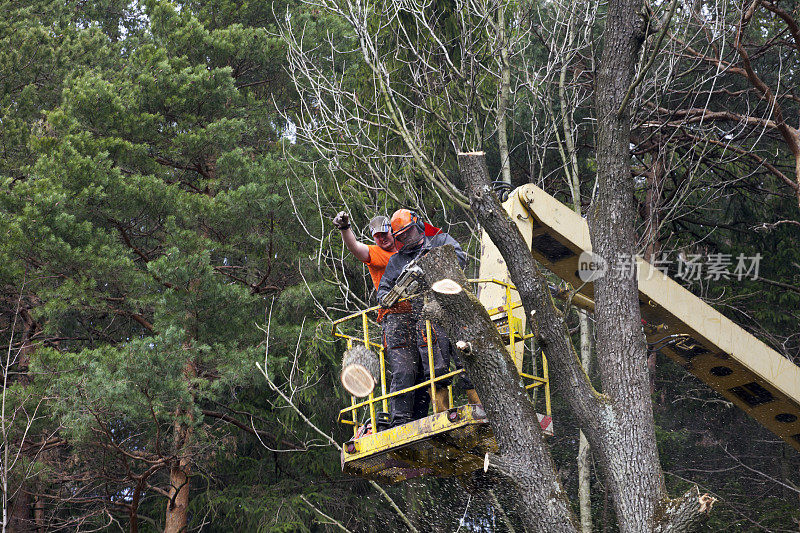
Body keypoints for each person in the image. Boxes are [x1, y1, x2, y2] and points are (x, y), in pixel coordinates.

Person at [377, 209, 480, 427]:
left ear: (418, 226)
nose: (406, 237)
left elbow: (460, 258)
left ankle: (480, 407)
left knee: (467, 358)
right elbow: (383, 290)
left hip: (457, 309)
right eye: (401, 236)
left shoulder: (440, 240)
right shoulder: (397, 261)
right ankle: (442, 415)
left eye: (408, 232)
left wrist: (430, 264)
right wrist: (392, 294)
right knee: (435, 367)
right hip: (426, 319)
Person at [332, 211, 396, 292]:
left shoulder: (405, 245)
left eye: (384, 234)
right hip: (393, 303)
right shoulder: (375, 253)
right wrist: (344, 228)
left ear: (392, 229)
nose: (382, 239)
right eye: (377, 236)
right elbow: (354, 247)